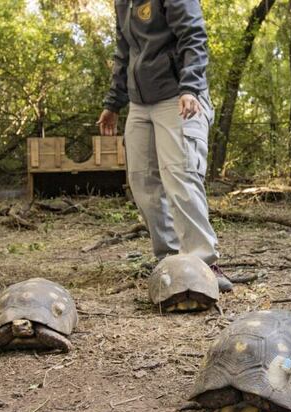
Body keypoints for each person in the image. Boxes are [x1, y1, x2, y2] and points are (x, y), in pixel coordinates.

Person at [98, 0, 232, 292]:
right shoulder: (123, 3)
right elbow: (124, 52)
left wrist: (190, 87)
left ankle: (203, 264)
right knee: (142, 181)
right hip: (139, 102)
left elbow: (193, 35)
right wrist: (113, 103)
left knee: (180, 176)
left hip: (177, 95)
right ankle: (171, 261)